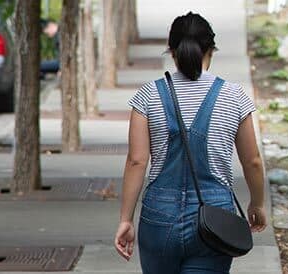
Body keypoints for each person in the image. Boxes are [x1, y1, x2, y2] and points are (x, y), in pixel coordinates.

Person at [114, 12, 268, 273]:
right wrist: (257, 203)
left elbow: (137, 161)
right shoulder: (234, 96)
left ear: (172, 52)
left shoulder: (148, 95)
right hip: (214, 217)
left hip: (160, 216)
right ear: (211, 50)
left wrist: (125, 219)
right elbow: (252, 161)